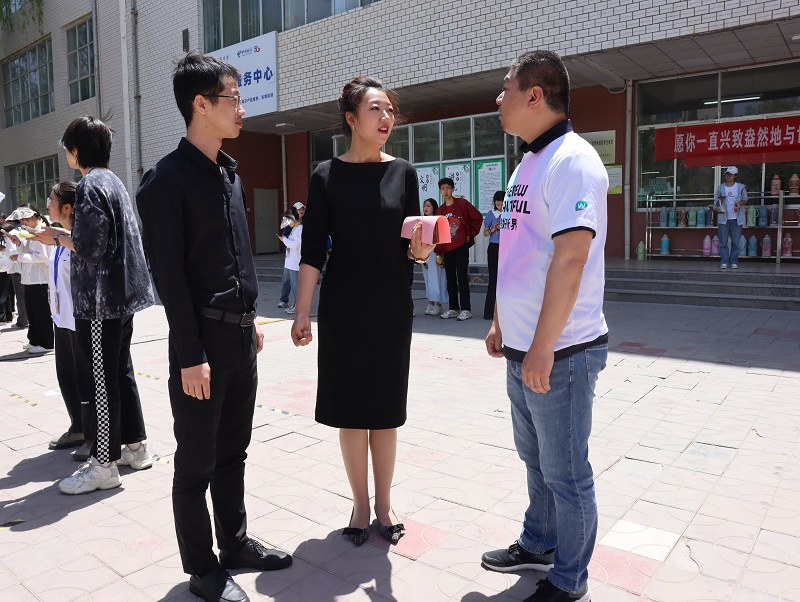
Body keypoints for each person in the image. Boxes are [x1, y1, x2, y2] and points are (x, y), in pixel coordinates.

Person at [136, 51, 292, 602]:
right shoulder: (165, 182)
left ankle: (236, 543)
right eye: (234, 99)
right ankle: (202, 568)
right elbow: (170, 278)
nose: (242, 109)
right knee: (196, 461)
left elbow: (236, 257)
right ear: (201, 105)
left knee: (233, 451)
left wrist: (251, 318)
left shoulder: (229, 174)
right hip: (200, 343)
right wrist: (189, 354)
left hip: (240, 337)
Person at [482, 50, 608, 602]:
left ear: (535, 95)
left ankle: (570, 580)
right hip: (523, 347)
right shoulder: (528, 162)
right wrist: (499, 322)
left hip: (561, 352)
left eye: (506, 87)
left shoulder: (573, 161)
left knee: (567, 473)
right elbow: (517, 252)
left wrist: (541, 347)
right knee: (536, 461)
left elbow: (571, 259)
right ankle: (539, 542)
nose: (498, 98)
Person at [291, 76, 434, 547]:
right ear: (351, 119)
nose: (386, 117)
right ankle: (360, 505)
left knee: (385, 412)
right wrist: (302, 311)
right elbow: (313, 249)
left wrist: (421, 252)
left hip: (391, 307)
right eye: (376, 109)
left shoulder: (404, 173)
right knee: (351, 413)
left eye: (390, 109)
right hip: (343, 310)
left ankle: (386, 504)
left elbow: (413, 247)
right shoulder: (325, 175)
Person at [41, 116, 154, 496]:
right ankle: (135, 447)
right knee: (121, 373)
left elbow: (90, 248)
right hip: (123, 297)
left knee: (101, 381)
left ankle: (104, 464)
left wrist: (58, 237)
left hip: (101, 301)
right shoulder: (114, 181)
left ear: (76, 150)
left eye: (67, 149)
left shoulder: (90, 185)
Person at [30, 182, 93, 455]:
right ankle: (78, 427)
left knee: (86, 379)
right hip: (60, 317)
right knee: (66, 375)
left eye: (51, 201)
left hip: (80, 319)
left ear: (67, 207)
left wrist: (58, 237)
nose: (47, 205)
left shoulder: (79, 239)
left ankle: (94, 436)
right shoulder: (58, 238)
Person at [434, 177, 483, 321]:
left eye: (448, 188)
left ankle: (466, 309)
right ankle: (453, 308)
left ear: (453, 189)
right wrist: (438, 252)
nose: (445, 191)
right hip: (447, 248)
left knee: (462, 277)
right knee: (450, 279)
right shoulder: (440, 210)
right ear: (440, 191)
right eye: (443, 189)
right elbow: (437, 232)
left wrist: (469, 234)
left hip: (460, 245)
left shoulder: (462, 204)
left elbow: (477, 217)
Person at [7, 206, 53, 354]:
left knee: (41, 312)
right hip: (30, 278)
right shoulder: (32, 232)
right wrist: (19, 244)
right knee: (32, 311)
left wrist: (19, 256)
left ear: (32, 217)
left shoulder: (42, 231)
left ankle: (46, 343)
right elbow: (29, 252)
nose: (22, 223)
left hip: (39, 278)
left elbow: (43, 256)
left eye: (23, 220)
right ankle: (34, 339)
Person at [715, 166, 747, 270]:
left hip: (736, 218)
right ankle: (724, 261)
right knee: (723, 241)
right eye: (727, 174)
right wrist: (719, 206)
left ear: (735, 176)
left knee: (736, 242)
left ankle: (734, 261)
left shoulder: (740, 187)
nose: (728, 176)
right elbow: (716, 201)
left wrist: (740, 203)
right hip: (723, 218)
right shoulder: (720, 187)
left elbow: (745, 199)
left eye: (730, 174)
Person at [420, 198, 448, 316]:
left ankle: (438, 304)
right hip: (425, 253)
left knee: (437, 277)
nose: (426, 208)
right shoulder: (421, 221)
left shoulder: (438, 221)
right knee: (428, 278)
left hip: (435, 252)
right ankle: (430, 302)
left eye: (429, 206)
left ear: (434, 207)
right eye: (424, 205)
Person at [483, 190, 504, 320]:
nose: (499, 206)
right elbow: (485, 233)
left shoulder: (509, 213)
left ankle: (504, 311)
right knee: (493, 278)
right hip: (494, 247)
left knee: (505, 279)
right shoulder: (491, 214)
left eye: (501, 203)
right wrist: (493, 229)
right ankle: (489, 312)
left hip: (506, 247)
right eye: (497, 203)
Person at [279, 208, 303, 315]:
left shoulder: (299, 229)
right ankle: (295, 305)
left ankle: (298, 306)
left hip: (295, 263)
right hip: (290, 262)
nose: (288, 224)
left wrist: (284, 240)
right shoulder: (295, 228)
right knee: (292, 285)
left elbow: (296, 245)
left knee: (296, 287)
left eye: (289, 221)